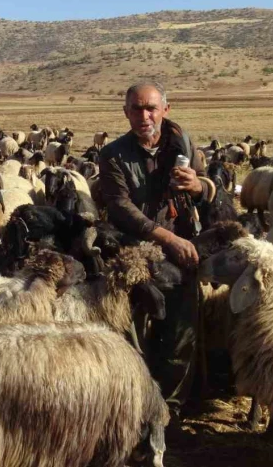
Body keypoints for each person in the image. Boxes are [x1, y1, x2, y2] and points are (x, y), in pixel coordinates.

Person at [99, 82, 209, 409]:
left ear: (165, 109)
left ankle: (170, 408)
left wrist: (198, 186)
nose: (144, 116)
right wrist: (168, 238)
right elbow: (120, 206)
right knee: (127, 332)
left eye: (151, 108)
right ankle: (130, 402)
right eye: (136, 108)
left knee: (180, 331)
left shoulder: (185, 149)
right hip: (132, 248)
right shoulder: (113, 155)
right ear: (126, 112)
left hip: (180, 248)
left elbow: (211, 192)